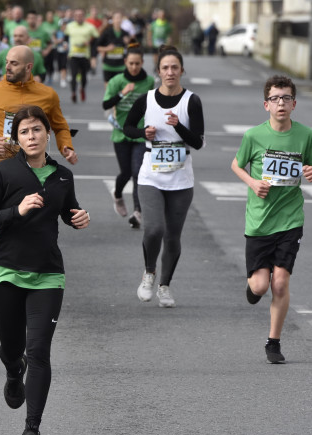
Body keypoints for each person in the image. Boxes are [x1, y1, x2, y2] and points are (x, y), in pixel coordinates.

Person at [0, 105, 90, 435]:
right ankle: (11, 368)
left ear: (47, 134)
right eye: (25, 132)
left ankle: (31, 429)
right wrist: (16, 211)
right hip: (5, 271)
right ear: (17, 139)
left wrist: (78, 217)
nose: (32, 136)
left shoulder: (62, 176)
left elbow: (68, 211)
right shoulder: (3, 172)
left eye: (37, 130)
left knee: (38, 351)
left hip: (48, 274)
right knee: (12, 347)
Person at [230, 75, 312, 364]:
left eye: (287, 98)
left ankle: (274, 343)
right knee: (259, 287)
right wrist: (253, 183)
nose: (281, 103)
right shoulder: (253, 136)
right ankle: (253, 286)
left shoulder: (305, 134)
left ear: (294, 103)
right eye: (276, 98)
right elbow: (236, 164)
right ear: (265, 104)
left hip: (290, 219)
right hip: (259, 221)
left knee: (280, 283)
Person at [0, 45, 78, 247]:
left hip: (36, 172)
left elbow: (60, 127)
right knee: (0, 236)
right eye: (6, 62)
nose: (6, 67)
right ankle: (2, 275)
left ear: (28, 67)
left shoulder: (47, 95)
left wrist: (66, 147)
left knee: (31, 231)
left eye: (13, 63)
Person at [122, 45, 205, 308]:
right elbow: (127, 127)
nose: (170, 72)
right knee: (154, 228)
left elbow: (199, 142)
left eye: (175, 68)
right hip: (151, 175)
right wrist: (142, 133)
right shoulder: (146, 99)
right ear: (158, 71)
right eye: (165, 68)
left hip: (181, 178)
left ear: (182, 70)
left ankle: (165, 286)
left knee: (172, 236)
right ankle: (149, 272)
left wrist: (178, 125)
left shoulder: (191, 101)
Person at [102, 42, 154, 228]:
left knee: (137, 172)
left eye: (137, 63)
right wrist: (122, 93)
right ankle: (117, 195)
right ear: (125, 62)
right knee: (125, 172)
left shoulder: (148, 82)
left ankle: (138, 212)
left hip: (140, 134)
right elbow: (106, 105)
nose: (134, 67)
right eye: (131, 63)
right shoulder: (117, 81)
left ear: (142, 62)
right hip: (121, 134)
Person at [64, 8, 99, 103]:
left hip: (85, 55)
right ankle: (73, 93)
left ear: (84, 16)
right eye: (77, 15)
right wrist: (65, 46)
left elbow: (96, 38)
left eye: (81, 15)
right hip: (73, 55)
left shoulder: (90, 27)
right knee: (74, 75)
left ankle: (82, 88)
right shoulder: (70, 26)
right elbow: (65, 38)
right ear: (74, 17)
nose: (79, 17)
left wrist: (90, 43)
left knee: (84, 76)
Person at [96, 11, 131, 84]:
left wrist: (128, 43)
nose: (118, 20)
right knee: (109, 93)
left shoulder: (125, 33)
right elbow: (97, 47)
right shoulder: (107, 32)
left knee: (120, 91)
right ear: (113, 20)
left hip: (121, 66)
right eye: (116, 18)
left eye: (120, 18)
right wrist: (107, 49)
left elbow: (132, 48)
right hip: (108, 66)